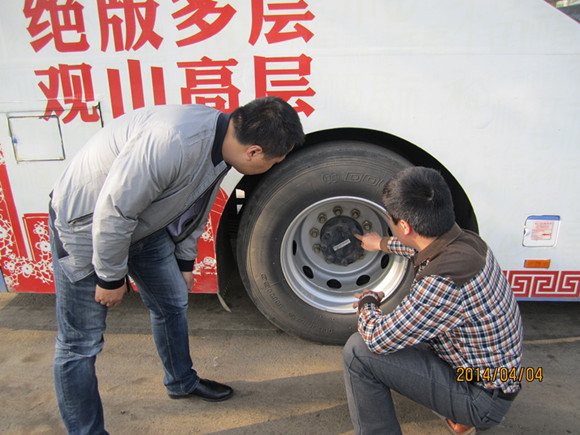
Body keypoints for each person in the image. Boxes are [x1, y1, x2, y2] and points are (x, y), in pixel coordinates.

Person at [49, 96, 304, 435]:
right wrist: (110, 278)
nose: (272, 168)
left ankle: (181, 381)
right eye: (273, 162)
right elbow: (114, 211)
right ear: (254, 152)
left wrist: (185, 260)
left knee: (172, 301)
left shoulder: (224, 140)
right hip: (87, 227)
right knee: (80, 343)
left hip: (144, 225)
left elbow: (196, 205)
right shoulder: (173, 142)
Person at [344, 167, 523, 435]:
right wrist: (381, 243)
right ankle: (461, 415)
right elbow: (420, 247)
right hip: (499, 377)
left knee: (358, 352)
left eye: (391, 219)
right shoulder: (468, 242)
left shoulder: (442, 282)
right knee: (409, 329)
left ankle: (465, 413)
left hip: (483, 399)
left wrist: (368, 302)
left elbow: (377, 338)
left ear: (405, 226)